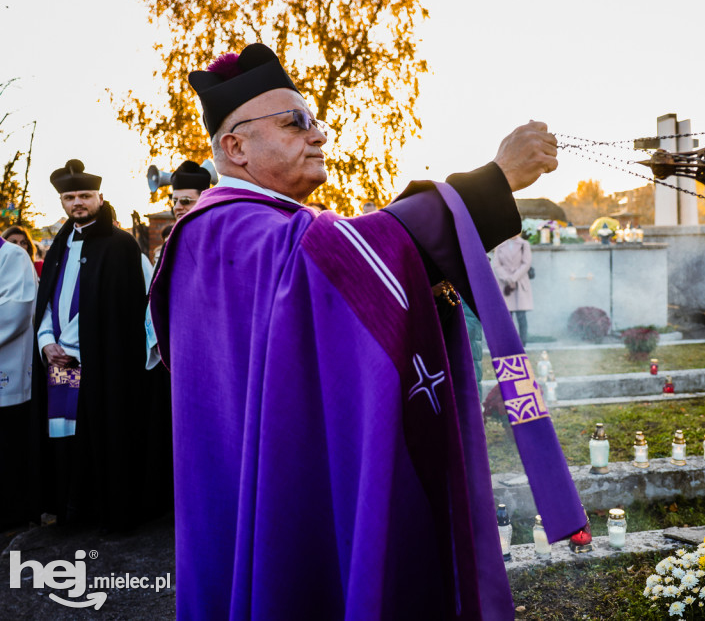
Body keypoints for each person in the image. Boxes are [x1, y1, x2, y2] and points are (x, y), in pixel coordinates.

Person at [149, 42, 582, 620]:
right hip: (281, 485)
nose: (318, 134)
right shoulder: (226, 228)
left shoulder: (252, 228)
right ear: (236, 146)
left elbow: (333, 271)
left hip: (275, 467)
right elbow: (339, 261)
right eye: (294, 122)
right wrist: (493, 181)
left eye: (314, 120)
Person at [28, 159, 164, 528]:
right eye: (69, 197)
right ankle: (71, 510)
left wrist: (73, 345)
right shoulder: (58, 246)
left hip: (104, 364)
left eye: (85, 195)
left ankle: (108, 513)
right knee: (66, 435)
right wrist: (45, 342)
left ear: (100, 197)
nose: (77, 202)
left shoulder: (122, 247)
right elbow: (47, 301)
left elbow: (137, 309)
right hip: (60, 364)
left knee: (102, 434)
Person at [0, 228, 37, 527]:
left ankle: (13, 516)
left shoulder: (12, 256)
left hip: (7, 374)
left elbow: (15, 312)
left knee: (8, 450)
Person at [492, 232, 534, 344]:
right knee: (507, 316)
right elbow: (496, 264)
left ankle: (523, 341)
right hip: (505, 284)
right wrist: (506, 278)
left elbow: (526, 263)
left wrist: (513, 278)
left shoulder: (524, 244)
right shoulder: (500, 245)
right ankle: (508, 340)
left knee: (521, 315)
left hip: (519, 283)